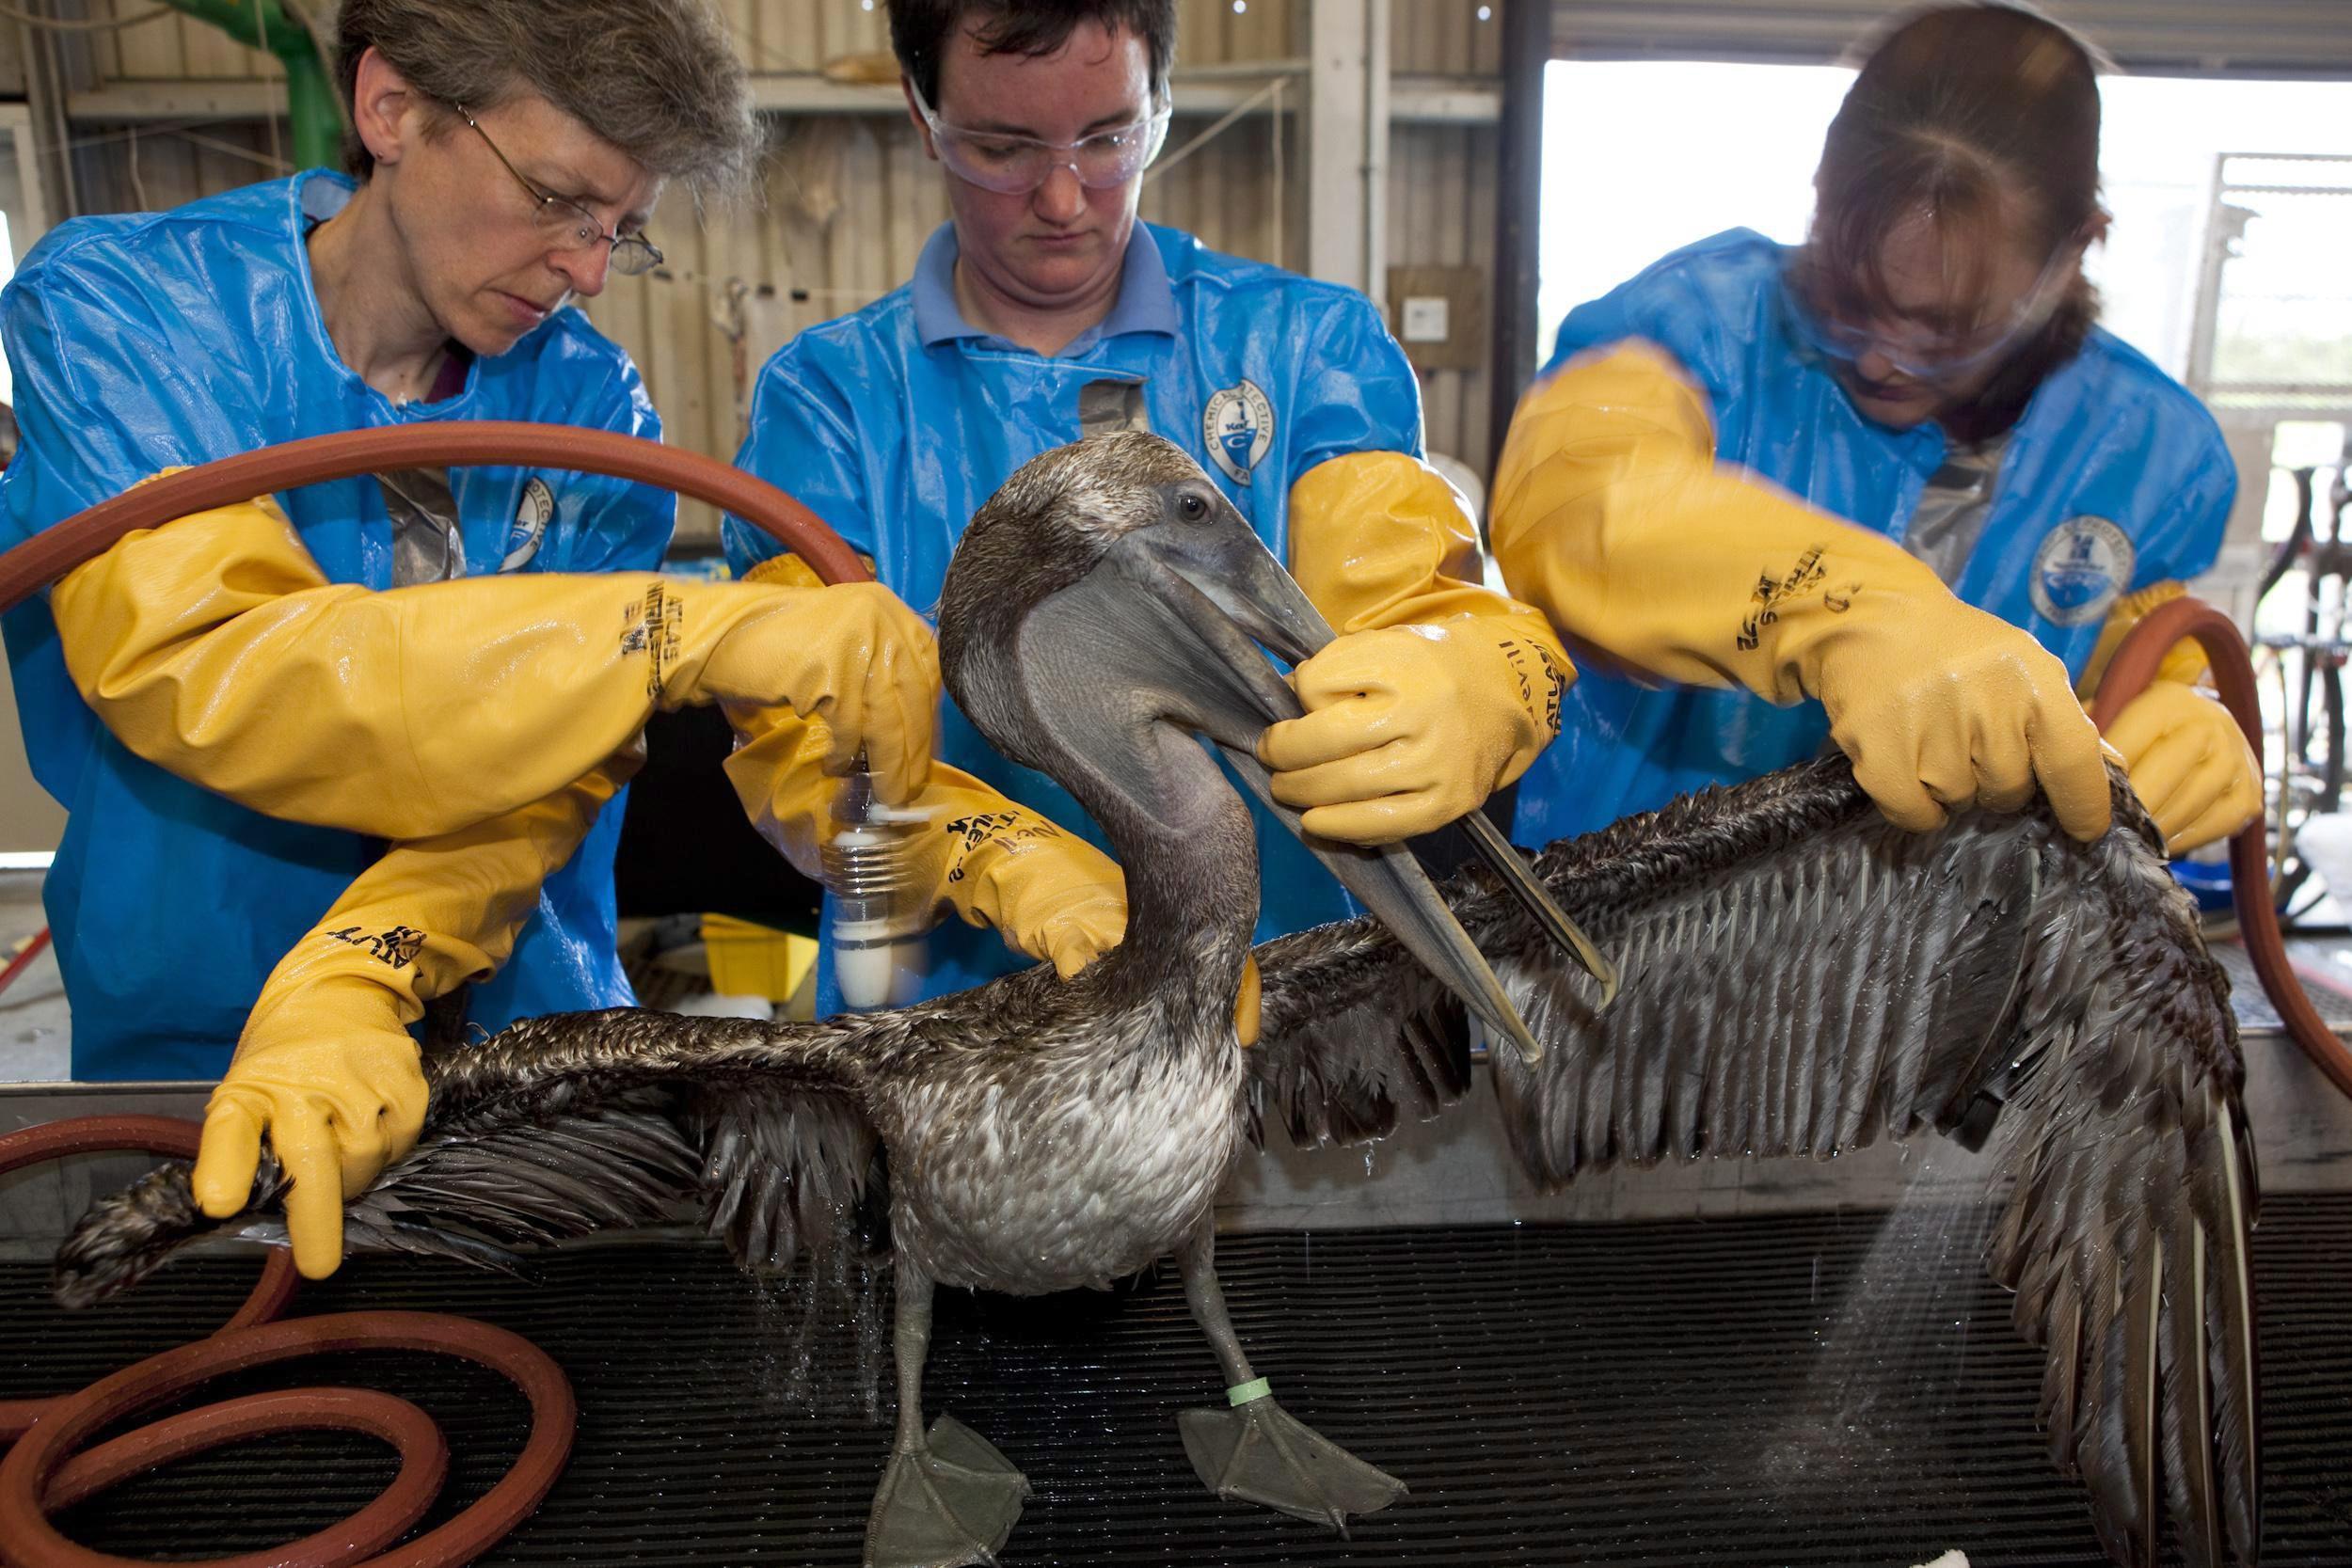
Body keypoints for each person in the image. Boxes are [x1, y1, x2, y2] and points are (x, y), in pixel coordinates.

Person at [0, 0, 942, 1275]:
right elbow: (220, 663)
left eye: (622, 230)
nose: (587, 269)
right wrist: (676, 628)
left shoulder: (592, 407)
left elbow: (540, 779)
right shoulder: (125, 313)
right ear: (392, 109)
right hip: (207, 1046)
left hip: (532, 1052)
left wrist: (363, 965)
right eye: (557, 197)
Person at [726, 0, 1572, 1011]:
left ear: (1162, 103)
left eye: (1109, 137)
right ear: (923, 114)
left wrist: (1461, 667)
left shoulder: (1309, 350)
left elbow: (1399, 598)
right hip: (951, 1027)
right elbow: (809, 745)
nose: (1062, 197)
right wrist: (1004, 863)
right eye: (1002, 147)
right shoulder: (829, 403)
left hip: (1299, 1004)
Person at [1491, 3, 2260, 862]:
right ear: (1821, 197)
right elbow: (1581, 504)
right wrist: (1848, 608)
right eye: (1848, 299)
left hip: (1944, 959)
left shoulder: (2153, 453)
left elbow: (2134, 656)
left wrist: (2181, 713)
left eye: (1948, 327)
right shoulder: (1689, 328)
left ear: (2072, 255)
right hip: (1624, 926)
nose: (1882, 361)